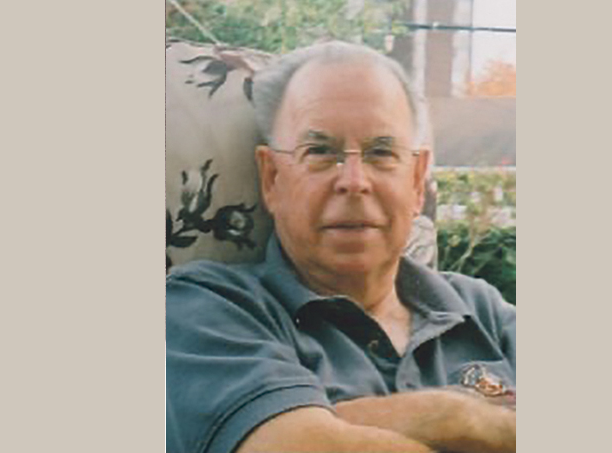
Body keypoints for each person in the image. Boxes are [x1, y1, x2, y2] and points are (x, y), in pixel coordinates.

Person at [166, 41, 516, 453]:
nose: (354, 181)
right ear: (272, 179)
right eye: (320, 151)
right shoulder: (204, 306)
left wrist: (337, 418)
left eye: (381, 152)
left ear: (416, 181)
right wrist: (457, 416)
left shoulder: (483, 310)